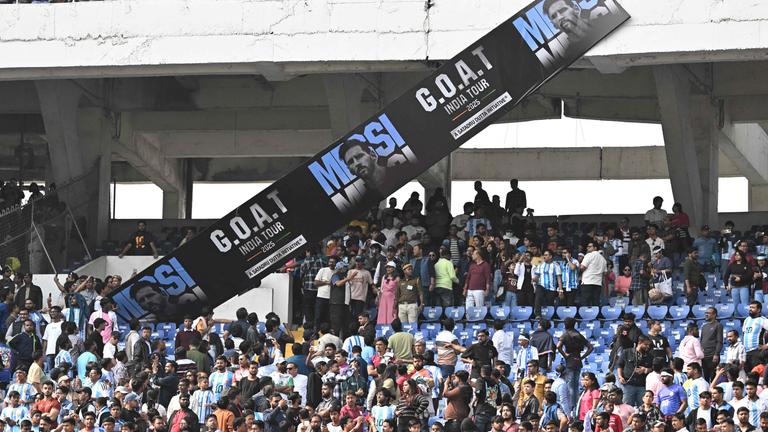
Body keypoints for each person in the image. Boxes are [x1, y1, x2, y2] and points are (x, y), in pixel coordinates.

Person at [557, 317, 592, 416]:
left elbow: (558, 346)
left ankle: (571, 408)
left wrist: (565, 355)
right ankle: (576, 407)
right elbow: (590, 347)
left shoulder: (565, 334)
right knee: (576, 386)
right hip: (578, 360)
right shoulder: (579, 335)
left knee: (570, 386)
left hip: (570, 361)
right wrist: (582, 357)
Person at [742, 301, 768, 371]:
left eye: (753, 307)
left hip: (756, 352)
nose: (750, 309)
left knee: (756, 376)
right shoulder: (746, 320)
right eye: (750, 307)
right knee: (747, 376)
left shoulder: (763, 320)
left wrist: (766, 345)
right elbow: (744, 334)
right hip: (746, 353)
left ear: (759, 310)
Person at [579, 242, 607, 306]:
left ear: (595, 248)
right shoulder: (603, 259)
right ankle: (595, 315)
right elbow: (605, 273)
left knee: (585, 302)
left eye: (590, 246)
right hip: (598, 283)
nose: (587, 248)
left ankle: (585, 316)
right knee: (595, 302)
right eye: (587, 246)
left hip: (587, 282)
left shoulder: (589, 255)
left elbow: (582, 267)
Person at [700, 307, 723, 381]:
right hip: (704, 356)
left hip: (712, 356)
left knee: (713, 377)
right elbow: (702, 340)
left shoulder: (718, 325)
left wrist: (716, 354)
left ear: (714, 315)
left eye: (708, 313)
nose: (706, 315)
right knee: (705, 377)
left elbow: (719, 341)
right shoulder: (704, 326)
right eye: (705, 313)